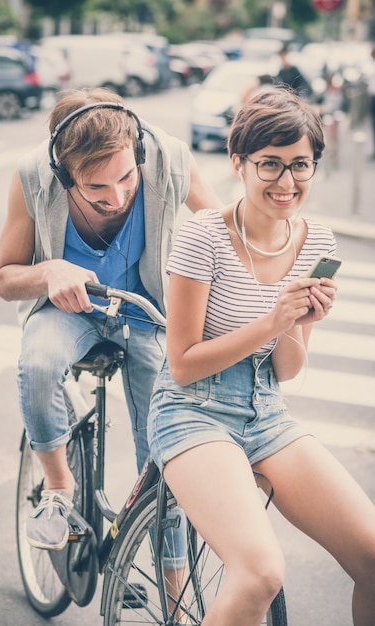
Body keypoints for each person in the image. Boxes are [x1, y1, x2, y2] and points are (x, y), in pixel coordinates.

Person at [147, 88, 375, 625]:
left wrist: (301, 323)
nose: (287, 182)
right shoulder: (205, 234)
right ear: (238, 163)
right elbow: (182, 362)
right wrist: (272, 321)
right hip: (191, 411)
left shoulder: (319, 240)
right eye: (270, 164)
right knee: (261, 573)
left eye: (301, 165)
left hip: (266, 411)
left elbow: (286, 370)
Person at [0, 87, 223, 553]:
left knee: (163, 456)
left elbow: (222, 234)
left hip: (146, 312)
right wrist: (48, 270)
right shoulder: (33, 175)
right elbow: (4, 278)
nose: (116, 197)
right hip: (68, 312)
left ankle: (172, 594)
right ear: (63, 173)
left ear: (137, 151)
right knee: (36, 365)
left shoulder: (171, 160)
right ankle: (59, 490)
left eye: (125, 178)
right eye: (95, 187)